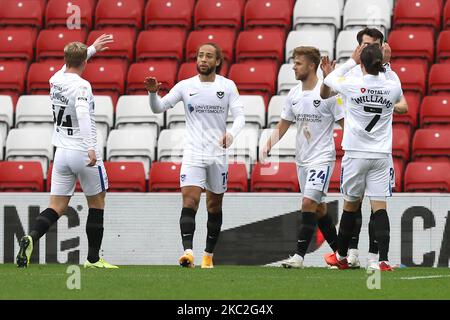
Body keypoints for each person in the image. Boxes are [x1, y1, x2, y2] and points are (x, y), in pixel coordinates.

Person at [16, 35, 118, 269]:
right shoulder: (82, 85)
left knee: (57, 205)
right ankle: (93, 259)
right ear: (84, 62)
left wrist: (91, 49)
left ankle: (32, 236)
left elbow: (72, 63)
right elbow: (82, 114)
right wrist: (91, 147)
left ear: (66, 59)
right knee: (97, 203)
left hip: (61, 152)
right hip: (82, 151)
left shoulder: (56, 79)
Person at [144, 43, 245, 269]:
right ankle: (188, 253)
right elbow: (158, 108)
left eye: (209, 56)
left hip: (218, 155)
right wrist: (153, 93)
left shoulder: (227, 86)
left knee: (214, 206)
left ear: (217, 61)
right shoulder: (185, 86)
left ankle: (208, 255)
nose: (203, 59)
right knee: (190, 200)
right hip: (193, 153)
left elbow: (240, 117)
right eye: (200, 55)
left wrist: (231, 134)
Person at [321, 27, 408, 269]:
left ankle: (340, 257)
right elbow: (397, 89)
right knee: (379, 207)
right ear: (382, 63)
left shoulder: (351, 83)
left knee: (350, 205)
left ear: (362, 64)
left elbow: (328, 79)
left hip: (356, 154)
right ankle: (382, 259)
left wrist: (351, 60)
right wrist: (387, 64)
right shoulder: (391, 86)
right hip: (381, 155)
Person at [261, 47, 344, 268]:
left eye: (298, 63)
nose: (293, 67)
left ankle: (298, 256)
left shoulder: (328, 93)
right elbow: (284, 123)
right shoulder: (294, 94)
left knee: (308, 204)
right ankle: (341, 255)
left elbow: (345, 124)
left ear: (310, 66)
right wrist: (269, 144)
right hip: (303, 161)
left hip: (322, 158)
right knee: (318, 209)